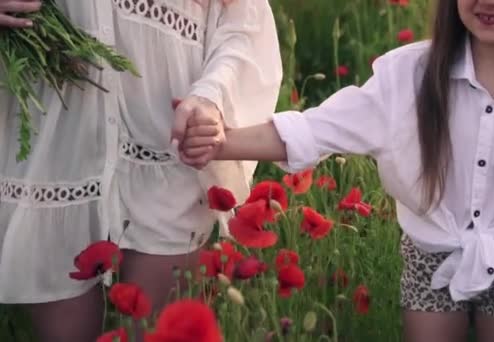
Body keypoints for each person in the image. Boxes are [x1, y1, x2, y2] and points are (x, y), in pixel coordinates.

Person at [179, 1, 494, 341]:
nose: (488, 2)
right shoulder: (410, 75)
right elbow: (318, 128)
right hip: (430, 253)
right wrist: (219, 142)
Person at [0, 0, 282, 341]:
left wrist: (212, 96)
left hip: (166, 142)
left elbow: (244, 21)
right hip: (57, 147)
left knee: (157, 332)